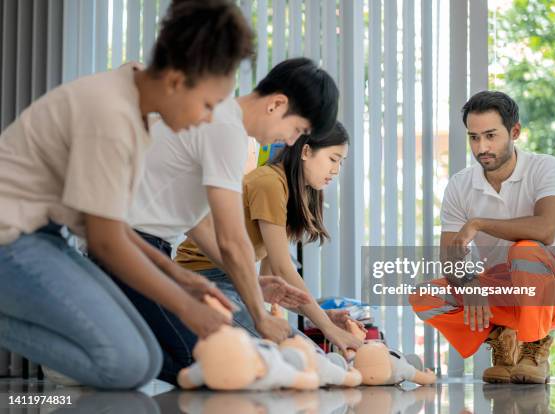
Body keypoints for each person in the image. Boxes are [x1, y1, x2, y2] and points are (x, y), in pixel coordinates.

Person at [0, 0, 253, 389]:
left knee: (148, 358)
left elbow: (111, 228)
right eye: (207, 105)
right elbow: (105, 244)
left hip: (46, 236)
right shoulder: (112, 117)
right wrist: (186, 306)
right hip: (11, 238)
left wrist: (180, 277)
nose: (206, 119)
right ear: (174, 81)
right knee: (125, 365)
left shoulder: (134, 108)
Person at [122, 58, 344, 384]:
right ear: (277, 104)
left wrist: (253, 285)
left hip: (150, 249)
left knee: (204, 358)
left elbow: (194, 222)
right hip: (132, 246)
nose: (293, 141)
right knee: (215, 362)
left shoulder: (232, 130)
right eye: (298, 129)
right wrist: (259, 315)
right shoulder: (227, 130)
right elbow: (230, 238)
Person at [410, 91, 555, 384]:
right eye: (474, 137)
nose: (482, 147)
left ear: (515, 131)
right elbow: (449, 258)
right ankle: (503, 338)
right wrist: (470, 284)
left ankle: (534, 350)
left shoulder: (545, 167)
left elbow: (545, 230)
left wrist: (479, 223)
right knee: (424, 296)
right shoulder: (460, 185)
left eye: (490, 135)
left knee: (525, 251)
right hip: (507, 291)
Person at [176, 122, 365, 357]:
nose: (336, 170)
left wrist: (321, 316)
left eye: (341, 162)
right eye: (333, 159)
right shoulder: (270, 183)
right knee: (307, 359)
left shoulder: (288, 190)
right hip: (206, 281)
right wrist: (326, 328)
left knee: (309, 357)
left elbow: (273, 282)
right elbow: (282, 268)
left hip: (235, 282)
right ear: (306, 152)